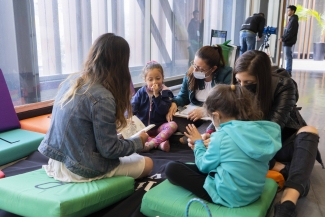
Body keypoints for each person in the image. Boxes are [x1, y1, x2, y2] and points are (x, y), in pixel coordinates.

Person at [199, 50, 319, 216]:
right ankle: (289, 172)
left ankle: (287, 203)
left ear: (262, 79)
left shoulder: (285, 85)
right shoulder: (237, 84)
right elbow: (222, 110)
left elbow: (272, 131)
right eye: (238, 80)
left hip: (274, 141)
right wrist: (212, 131)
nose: (241, 87)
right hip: (247, 146)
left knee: (310, 131)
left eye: (248, 82)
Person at [38, 33, 153, 182]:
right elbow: (109, 150)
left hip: (56, 161)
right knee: (148, 163)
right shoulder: (103, 97)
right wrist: (139, 141)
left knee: (129, 150)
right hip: (80, 168)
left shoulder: (72, 81)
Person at [165, 84, 281, 208]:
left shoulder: (220, 137)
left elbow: (204, 166)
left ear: (216, 115)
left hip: (230, 196)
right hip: (253, 193)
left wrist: (198, 144)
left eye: (210, 117)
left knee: (172, 168)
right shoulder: (257, 130)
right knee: (188, 166)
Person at [166, 45, 232, 144]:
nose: (195, 70)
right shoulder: (190, 73)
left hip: (212, 119)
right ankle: (195, 136)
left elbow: (227, 103)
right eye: (194, 65)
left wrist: (206, 110)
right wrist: (175, 103)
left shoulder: (226, 74)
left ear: (213, 69)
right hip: (193, 117)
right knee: (172, 118)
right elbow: (183, 96)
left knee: (218, 124)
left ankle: (191, 137)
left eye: (200, 69)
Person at [131, 61, 177, 152]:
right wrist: (129, 117)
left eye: (158, 78)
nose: (154, 82)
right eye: (150, 79)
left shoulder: (165, 92)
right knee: (131, 130)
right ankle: (159, 144)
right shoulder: (141, 92)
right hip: (143, 128)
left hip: (158, 127)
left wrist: (157, 96)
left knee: (173, 125)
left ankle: (151, 144)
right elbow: (133, 106)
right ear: (145, 80)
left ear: (163, 78)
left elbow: (163, 110)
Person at [279, 5, 299, 77]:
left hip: (288, 41)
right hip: (287, 40)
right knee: (288, 56)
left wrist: (283, 38)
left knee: (288, 56)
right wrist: (282, 37)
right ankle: (288, 70)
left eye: (289, 10)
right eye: (287, 11)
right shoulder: (291, 20)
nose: (287, 12)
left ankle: (288, 71)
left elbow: (290, 32)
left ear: (293, 11)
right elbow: (287, 31)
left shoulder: (293, 20)